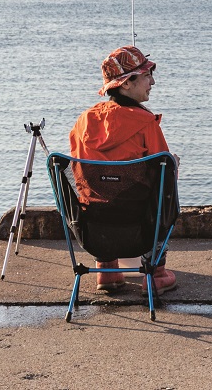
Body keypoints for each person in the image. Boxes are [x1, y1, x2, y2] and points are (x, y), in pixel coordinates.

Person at [67, 44, 178, 294]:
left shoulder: (83, 122)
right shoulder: (146, 124)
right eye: (147, 76)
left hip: (93, 227)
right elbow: (165, 175)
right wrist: (175, 165)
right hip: (140, 227)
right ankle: (155, 273)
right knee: (167, 187)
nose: (152, 82)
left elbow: (78, 174)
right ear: (127, 83)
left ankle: (107, 269)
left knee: (101, 187)